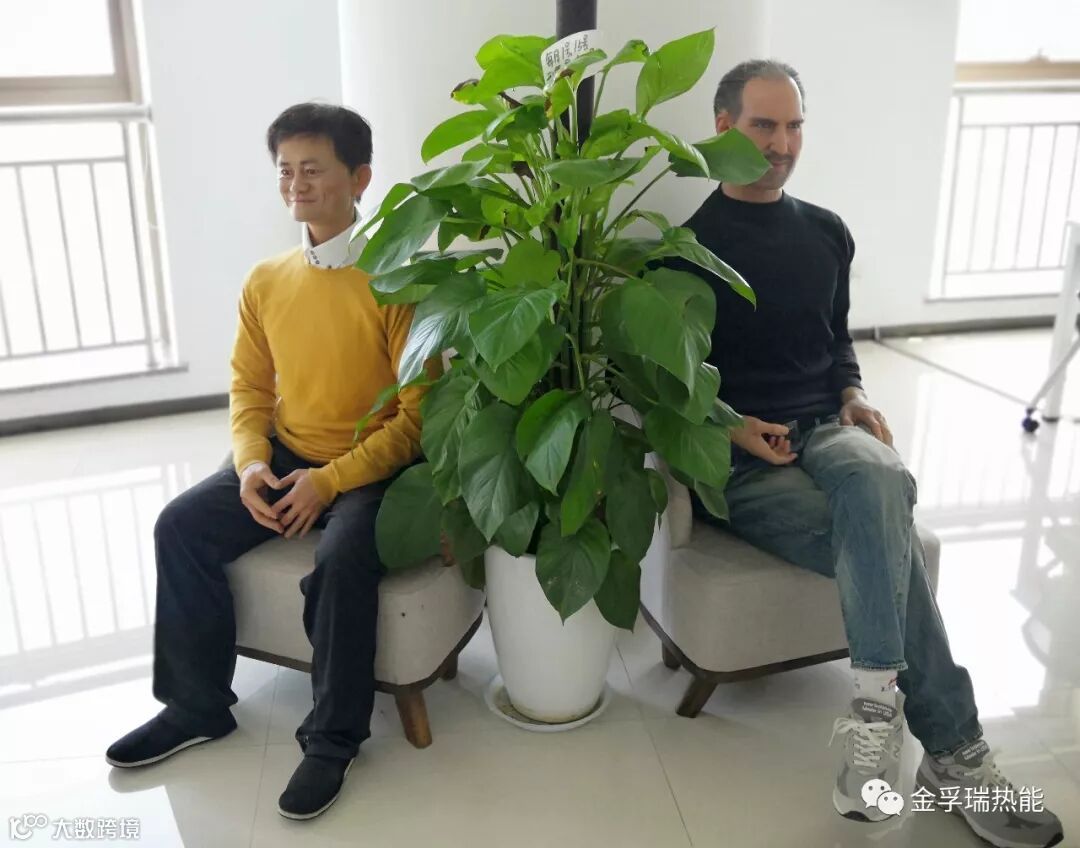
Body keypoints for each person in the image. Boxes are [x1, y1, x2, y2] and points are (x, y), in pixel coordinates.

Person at [669, 60, 1064, 848]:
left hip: (825, 428)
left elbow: (836, 341)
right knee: (885, 538)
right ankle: (956, 752)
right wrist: (732, 425)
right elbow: (667, 386)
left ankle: (876, 709)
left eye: (795, 126)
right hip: (740, 461)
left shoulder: (826, 232)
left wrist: (851, 396)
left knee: (883, 475)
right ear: (723, 127)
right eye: (764, 125)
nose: (783, 145)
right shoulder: (686, 251)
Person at [105, 103, 431, 821]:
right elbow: (250, 389)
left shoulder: (400, 281)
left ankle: (334, 740)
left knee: (342, 560)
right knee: (180, 525)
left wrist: (329, 482)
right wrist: (252, 465)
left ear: (360, 178)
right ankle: (196, 706)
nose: (295, 185)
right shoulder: (266, 280)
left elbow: (414, 422)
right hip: (287, 451)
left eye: (313, 169)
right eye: (285, 171)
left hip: (371, 467)